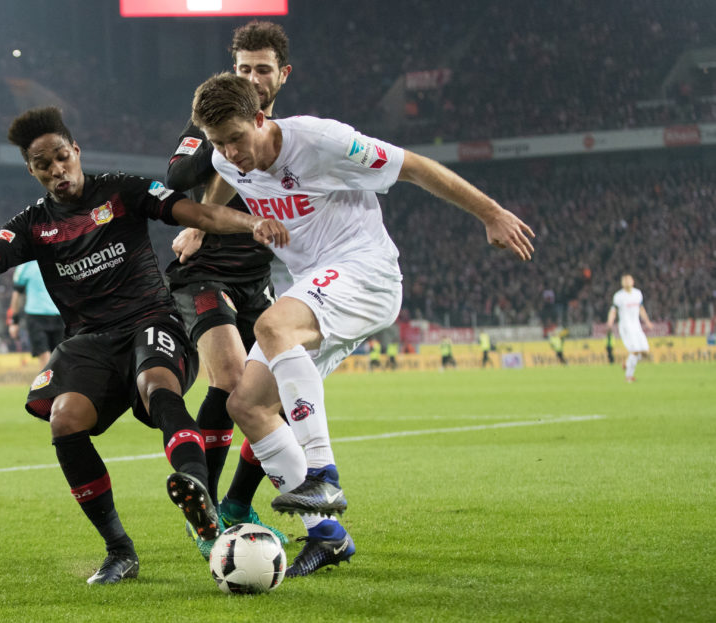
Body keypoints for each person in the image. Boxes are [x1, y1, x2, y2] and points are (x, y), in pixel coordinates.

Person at [0, 106, 289, 585]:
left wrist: (252, 224)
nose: (57, 171)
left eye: (62, 157)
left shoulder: (122, 190)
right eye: (44, 165)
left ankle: (197, 494)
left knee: (155, 383)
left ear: (76, 151)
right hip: (91, 341)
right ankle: (119, 550)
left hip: (150, 319)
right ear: (32, 171)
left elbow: (197, 211)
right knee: (65, 419)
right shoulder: (33, 224)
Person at [190, 73, 534, 576]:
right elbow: (222, 179)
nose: (230, 152)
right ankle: (327, 536)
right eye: (219, 142)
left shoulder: (321, 141)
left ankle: (323, 473)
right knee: (248, 403)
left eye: (237, 138)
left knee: (271, 326)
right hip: (317, 285)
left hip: (364, 271)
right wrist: (199, 226)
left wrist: (491, 212)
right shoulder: (224, 158)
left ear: (262, 118)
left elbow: (413, 167)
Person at [165, 20, 292, 540]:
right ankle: (207, 516)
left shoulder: (289, 134)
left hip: (255, 274)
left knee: (277, 391)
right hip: (204, 271)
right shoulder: (209, 121)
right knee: (233, 378)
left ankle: (238, 503)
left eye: (262, 69)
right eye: (243, 68)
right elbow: (176, 178)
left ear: (282, 75)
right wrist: (212, 141)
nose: (253, 78)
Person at [7, 260, 63, 367]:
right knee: (45, 356)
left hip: (58, 316)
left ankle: (57, 383)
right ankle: (48, 383)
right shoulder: (24, 266)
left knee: (60, 358)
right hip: (36, 317)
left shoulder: (57, 259)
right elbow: (17, 294)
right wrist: (14, 321)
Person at [607, 274, 652, 382]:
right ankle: (628, 376)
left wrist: (647, 322)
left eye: (628, 280)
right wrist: (610, 322)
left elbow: (641, 309)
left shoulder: (638, 294)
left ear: (633, 281)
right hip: (626, 327)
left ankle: (627, 363)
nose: (627, 282)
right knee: (635, 351)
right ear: (622, 283)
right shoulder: (618, 296)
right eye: (624, 280)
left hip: (637, 327)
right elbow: (613, 310)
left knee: (645, 352)